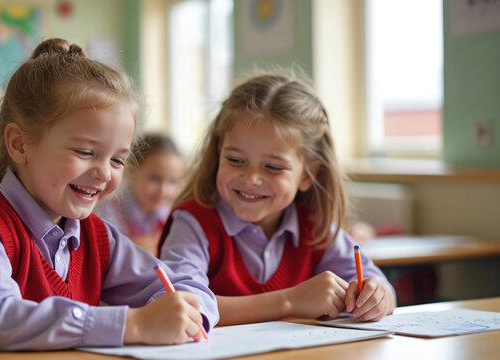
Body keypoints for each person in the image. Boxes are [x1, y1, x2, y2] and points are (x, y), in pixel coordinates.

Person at [0, 38, 217, 360]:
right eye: (85, 152)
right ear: (20, 144)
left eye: (117, 160)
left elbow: (181, 285)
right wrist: (133, 324)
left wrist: (185, 312)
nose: (104, 173)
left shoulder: (96, 237)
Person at [159, 71, 396, 326]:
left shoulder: (315, 226)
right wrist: (290, 301)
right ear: (219, 153)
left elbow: (383, 290)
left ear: (307, 175)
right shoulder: (193, 223)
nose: (250, 178)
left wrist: (376, 297)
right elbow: (181, 306)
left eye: (272, 167)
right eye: (235, 160)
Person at [95, 133, 184, 256]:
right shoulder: (108, 212)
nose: (163, 191)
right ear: (132, 171)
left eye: (173, 181)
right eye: (155, 179)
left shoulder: (174, 219)